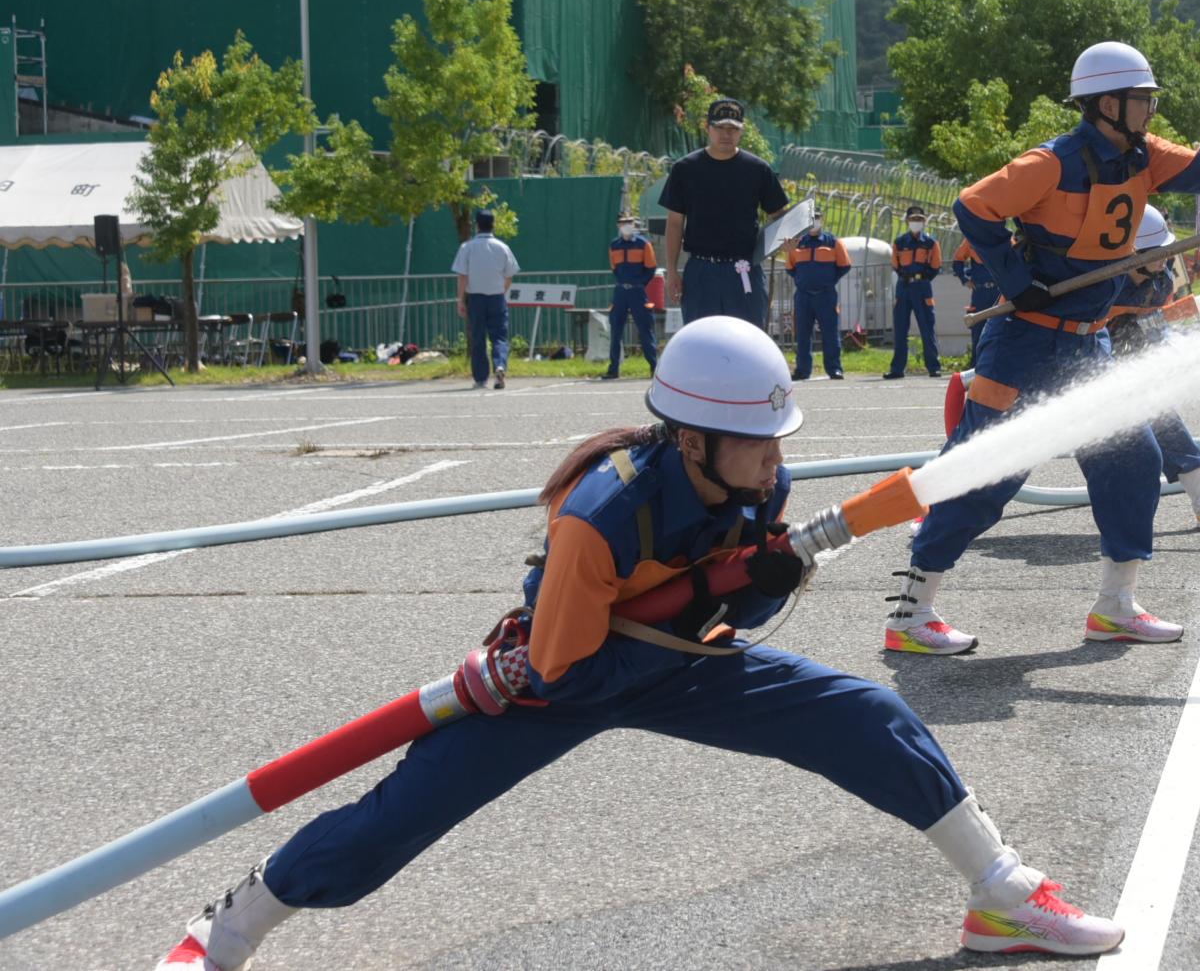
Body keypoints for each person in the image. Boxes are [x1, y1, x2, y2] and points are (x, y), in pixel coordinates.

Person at [152, 318, 1123, 969]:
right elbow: (577, 666)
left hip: (676, 662)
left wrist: (757, 584)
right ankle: (224, 933)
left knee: (866, 715)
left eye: (778, 442)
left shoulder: (758, 484)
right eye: (758, 442)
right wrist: (716, 595)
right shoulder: (601, 517)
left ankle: (999, 895)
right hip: (558, 677)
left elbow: (725, 622)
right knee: (392, 822)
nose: (775, 460)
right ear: (691, 438)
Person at [884, 40, 1200, 654]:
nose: (1151, 111)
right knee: (984, 476)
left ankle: (1115, 606)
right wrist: (1019, 284)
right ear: (1108, 103)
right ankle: (911, 615)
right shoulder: (1052, 162)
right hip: (1023, 347)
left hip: (1089, 347)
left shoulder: (1144, 157)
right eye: (1142, 101)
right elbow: (973, 206)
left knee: (1132, 463)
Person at [1105, 207, 1200, 531]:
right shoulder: (1103, 284)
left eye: (1168, 250)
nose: (1166, 258)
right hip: (1093, 369)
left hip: (1134, 367)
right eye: (1157, 252)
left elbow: (1155, 329)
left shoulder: (1161, 280)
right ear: (1131, 253)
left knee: (1164, 419)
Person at [661, 97, 792, 327]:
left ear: (742, 131)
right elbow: (674, 223)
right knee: (701, 342)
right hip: (701, 272)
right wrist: (672, 271)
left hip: (744, 269)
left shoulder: (757, 169)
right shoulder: (685, 169)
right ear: (707, 128)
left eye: (733, 129)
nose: (726, 134)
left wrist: (789, 239)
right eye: (719, 127)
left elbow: (780, 214)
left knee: (749, 342)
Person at [453, 208, 519, 390]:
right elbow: (510, 275)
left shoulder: (467, 247)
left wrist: (460, 299)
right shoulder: (502, 247)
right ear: (494, 225)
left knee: (478, 338)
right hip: (497, 297)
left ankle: (481, 378)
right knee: (499, 336)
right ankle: (500, 365)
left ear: (477, 226)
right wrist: (501, 291)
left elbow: (462, 276)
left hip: (476, 298)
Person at [785, 212, 851, 379]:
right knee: (802, 334)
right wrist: (802, 281)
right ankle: (802, 370)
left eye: (818, 217)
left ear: (823, 220)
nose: (814, 221)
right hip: (803, 296)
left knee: (830, 333)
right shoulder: (797, 243)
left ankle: (834, 368)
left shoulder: (834, 242)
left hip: (826, 296)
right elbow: (790, 268)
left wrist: (828, 281)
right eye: (812, 218)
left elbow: (845, 266)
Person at [886, 206, 944, 379]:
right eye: (913, 219)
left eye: (919, 219)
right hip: (903, 287)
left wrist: (922, 278)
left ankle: (933, 367)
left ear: (924, 222)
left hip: (922, 287)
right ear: (907, 221)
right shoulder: (899, 242)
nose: (916, 223)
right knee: (900, 330)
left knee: (927, 328)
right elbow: (895, 264)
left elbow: (935, 266)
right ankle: (897, 369)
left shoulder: (931, 243)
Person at [600, 214, 658, 381]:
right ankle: (613, 369)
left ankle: (655, 368)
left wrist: (639, 284)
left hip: (637, 292)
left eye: (629, 222)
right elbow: (614, 269)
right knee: (616, 330)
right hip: (620, 292)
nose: (626, 225)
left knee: (645, 330)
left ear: (634, 224)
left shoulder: (643, 244)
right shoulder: (614, 245)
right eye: (623, 223)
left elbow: (651, 268)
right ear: (618, 225)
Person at [954, 236, 1001, 359]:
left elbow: (1015, 258)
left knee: (1001, 328)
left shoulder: (1003, 237)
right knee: (978, 328)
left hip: (999, 291)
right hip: (980, 292)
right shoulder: (971, 239)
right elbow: (957, 261)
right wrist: (964, 280)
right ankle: (976, 365)